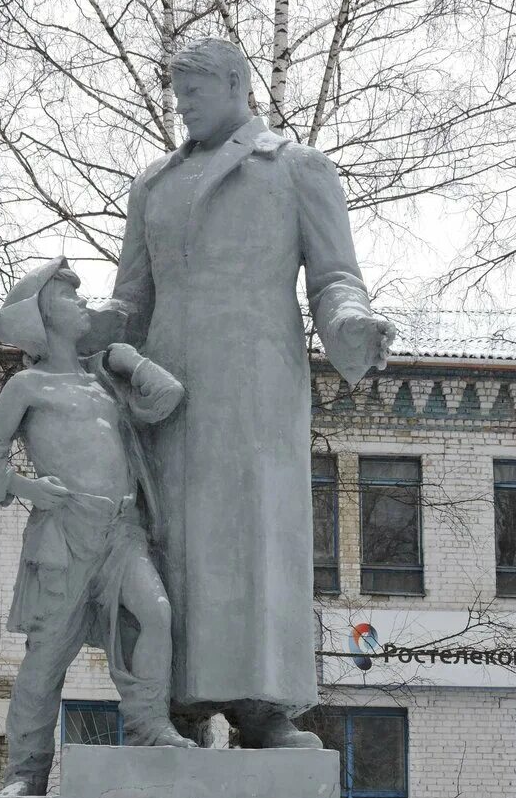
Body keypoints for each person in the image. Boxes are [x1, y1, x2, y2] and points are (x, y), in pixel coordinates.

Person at [112, 38, 395, 747]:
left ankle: (263, 707)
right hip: (171, 386)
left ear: (237, 84)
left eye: (195, 95)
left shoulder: (296, 169)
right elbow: (130, 303)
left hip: (258, 383)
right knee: (175, 539)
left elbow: (335, 277)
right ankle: (174, 703)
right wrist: (78, 335)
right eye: (178, 99)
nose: (184, 110)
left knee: (258, 538)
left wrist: (351, 324)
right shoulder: (153, 185)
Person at [0, 257, 195, 796]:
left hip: (120, 530)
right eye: (68, 296)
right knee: (49, 655)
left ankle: (150, 728)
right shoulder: (27, 385)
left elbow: (168, 398)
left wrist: (128, 359)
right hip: (64, 534)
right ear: (43, 315)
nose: (81, 302)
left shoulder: (103, 382)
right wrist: (28, 489)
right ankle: (26, 772)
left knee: (155, 614)